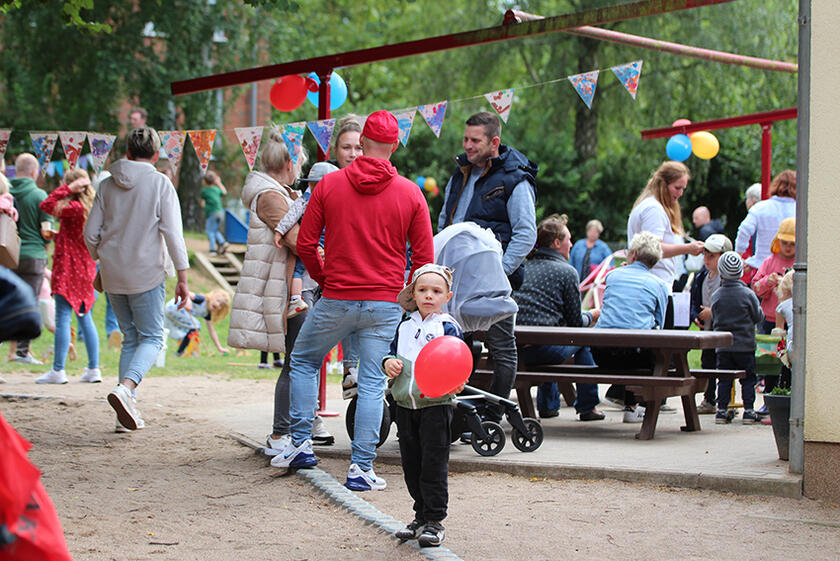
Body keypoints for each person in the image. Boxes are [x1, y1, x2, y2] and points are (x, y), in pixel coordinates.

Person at [272, 110, 434, 492]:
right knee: (373, 383)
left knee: (304, 360)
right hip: (385, 303)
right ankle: (361, 468)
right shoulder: (411, 193)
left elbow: (307, 244)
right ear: (394, 145)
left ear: (362, 143)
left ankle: (300, 444)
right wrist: (411, 298)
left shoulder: (329, 186)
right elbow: (426, 260)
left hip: (337, 298)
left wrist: (325, 277)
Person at [226, 129, 333, 447]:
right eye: (299, 162)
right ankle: (281, 431)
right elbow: (299, 241)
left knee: (303, 358)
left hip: (291, 284)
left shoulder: (277, 192)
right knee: (298, 360)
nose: (300, 169)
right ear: (288, 162)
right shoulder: (271, 196)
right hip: (286, 289)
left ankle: (299, 423)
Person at [84, 126, 190, 432]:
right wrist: (183, 277)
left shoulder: (106, 185)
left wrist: (100, 255)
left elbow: (90, 234)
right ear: (156, 155)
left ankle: (123, 416)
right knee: (153, 337)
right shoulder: (160, 183)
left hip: (113, 273)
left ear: (127, 151)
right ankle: (126, 390)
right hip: (147, 273)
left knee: (131, 338)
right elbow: (173, 234)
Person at [438, 111, 537, 422]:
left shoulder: (514, 177)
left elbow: (526, 233)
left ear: (494, 142)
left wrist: (499, 273)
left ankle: (493, 416)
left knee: (502, 348)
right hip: (454, 283)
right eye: (465, 138)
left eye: (474, 140)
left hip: (492, 283)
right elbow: (445, 223)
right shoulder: (460, 173)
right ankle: (462, 418)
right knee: (456, 346)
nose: (467, 145)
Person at [386, 264, 463, 548]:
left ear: (447, 296)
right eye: (422, 290)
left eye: (436, 291)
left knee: (433, 463)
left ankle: (434, 520)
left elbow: (458, 359)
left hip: (436, 405)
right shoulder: (404, 325)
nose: (428, 295)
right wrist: (388, 363)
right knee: (411, 463)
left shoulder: (447, 326)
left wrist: (457, 381)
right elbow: (391, 352)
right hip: (406, 405)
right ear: (413, 294)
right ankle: (419, 514)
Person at [513, 214, 604, 421]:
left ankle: (549, 405)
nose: (571, 244)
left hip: (514, 351)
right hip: (545, 352)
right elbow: (575, 323)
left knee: (553, 330)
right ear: (556, 243)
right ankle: (588, 406)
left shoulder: (521, 268)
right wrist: (592, 316)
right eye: (568, 239)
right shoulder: (567, 272)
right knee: (582, 339)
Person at [590, 232, 670, 423]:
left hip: (602, 354)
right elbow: (661, 321)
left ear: (633, 254)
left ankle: (625, 400)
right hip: (636, 357)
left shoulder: (613, 276)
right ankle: (633, 407)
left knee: (629, 340)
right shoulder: (659, 284)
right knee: (654, 350)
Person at [35, 169, 100, 384]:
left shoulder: (73, 207)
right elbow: (77, 238)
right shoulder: (89, 208)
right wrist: (59, 235)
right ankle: (93, 368)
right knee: (85, 316)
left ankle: (58, 370)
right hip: (86, 267)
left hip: (69, 268)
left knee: (62, 315)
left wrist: (67, 189)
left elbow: (45, 205)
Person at [627, 161, 705, 299]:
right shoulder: (654, 210)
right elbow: (652, 250)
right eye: (677, 188)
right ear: (663, 185)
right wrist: (688, 248)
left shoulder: (647, 205)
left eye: (683, 189)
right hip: (653, 285)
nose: (680, 193)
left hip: (650, 283)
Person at [328, 115, 364, 399]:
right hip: (333, 268)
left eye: (358, 147)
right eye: (346, 148)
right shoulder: (328, 182)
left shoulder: (372, 181)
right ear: (335, 150)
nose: (352, 154)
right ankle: (351, 368)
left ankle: (355, 370)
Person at [275, 161, 340, 320]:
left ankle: (295, 299)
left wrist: (279, 231)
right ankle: (325, 294)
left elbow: (290, 217)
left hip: (311, 240)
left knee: (298, 269)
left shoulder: (306, 200)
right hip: (326, 242)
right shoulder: (337, 201)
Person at [9, 153, 54, 364]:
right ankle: (22, 351)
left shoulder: (5, 191)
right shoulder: (39, 195)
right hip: (33, 256)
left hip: (7, 255)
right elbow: (47, 231)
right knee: (29, 302)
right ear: (35, 172)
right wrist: (45, 250)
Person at [711, 252, 764, 424]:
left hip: (724, 346)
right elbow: (758, 316)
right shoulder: (748, 295)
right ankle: (748, 411)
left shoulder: (717, 295)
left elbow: (715, 318)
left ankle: (721, 411)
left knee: (724, 379)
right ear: (741, 272)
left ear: (721, 272)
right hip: (745, 346)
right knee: (748, 378)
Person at [689, 234, 733, 414]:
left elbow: (731, 304)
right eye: (705, 255)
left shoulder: (728, 280)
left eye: (712, 256)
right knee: (706, 363)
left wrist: (712, 312)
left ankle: (725, 401)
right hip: (707, 330)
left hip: (723, 330)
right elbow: (694, 301)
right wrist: (696, 316)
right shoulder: (701, 278)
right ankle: (709, 398)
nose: (706, 260)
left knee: (724, 366)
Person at [752, 218, 795, 397]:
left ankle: (785, 392)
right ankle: (769, 396)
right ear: (777, 241)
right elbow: (755, 287)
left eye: (792, 244)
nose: (787, 247)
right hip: (770, 321)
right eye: (784, 243)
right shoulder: (769, 261)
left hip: (790, 323)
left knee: (788, 361)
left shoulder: (799, 262)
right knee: (770, 362)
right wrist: (766, 281)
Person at [735, 170, 796, 279]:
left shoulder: (760, 208)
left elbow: (744, 229)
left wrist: (738, 256)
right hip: (793, 269)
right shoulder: (802, 210)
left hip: (762, 267)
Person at [165, 290, 230, 356]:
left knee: (189, 331)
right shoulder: (201, 299)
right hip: (175, 306)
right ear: (212, 297)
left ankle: (184, 351)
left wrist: (219, 347)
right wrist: (188, 301)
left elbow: (212, 331)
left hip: (175, 313)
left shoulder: (207, 313)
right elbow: (186, 293)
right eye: (218, 301)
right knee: (196, 326)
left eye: (221, 305)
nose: (218, 304)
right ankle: (180, 352)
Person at [200, 170, 230, 256]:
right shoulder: (216, 189)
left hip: (212, 213)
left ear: (204, 181)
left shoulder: (204, 191)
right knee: (215, 230)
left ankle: (212, 250)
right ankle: (223, 242)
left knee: (210, 231)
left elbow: (202, 203)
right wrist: (219, 183)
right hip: (220, 212)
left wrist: (204, 208)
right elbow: (224, 192)